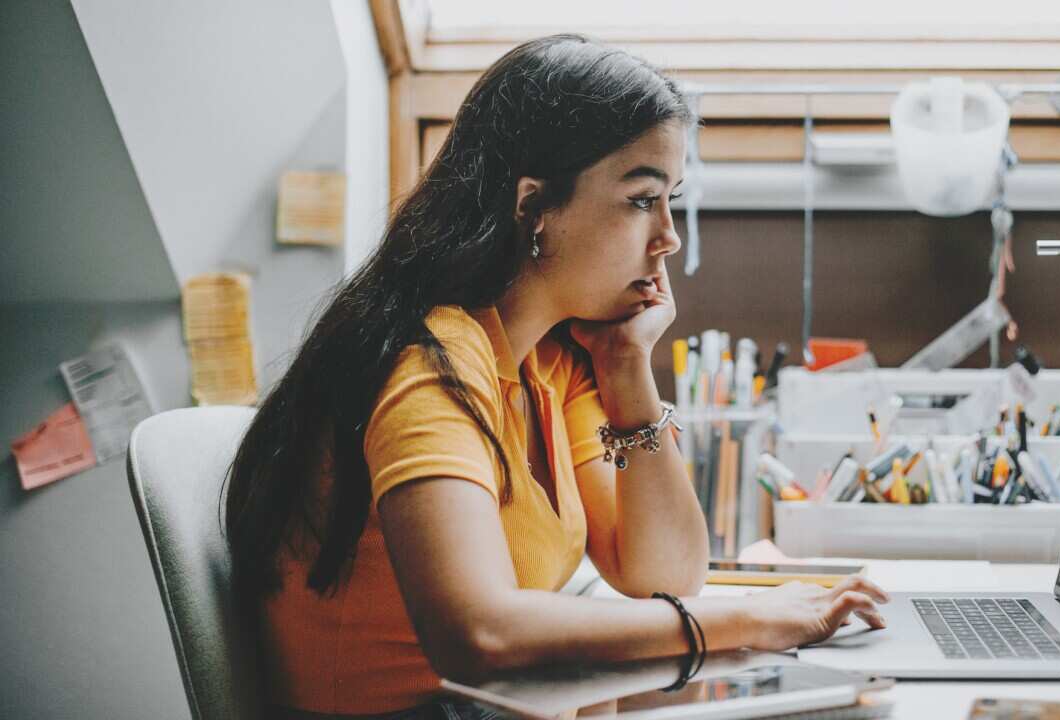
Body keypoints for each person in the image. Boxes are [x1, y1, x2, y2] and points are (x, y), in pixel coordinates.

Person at [225, 34, 888, 719]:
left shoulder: (548, 358)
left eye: (671, 201)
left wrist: (627, 368)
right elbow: (478, 634)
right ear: (534, 208)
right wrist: (750, 620)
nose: (669, 237)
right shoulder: (431, 363)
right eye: (641, 199)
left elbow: (660, 575)